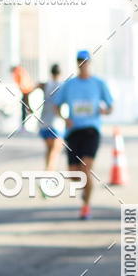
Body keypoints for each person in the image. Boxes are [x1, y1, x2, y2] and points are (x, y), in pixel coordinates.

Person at [54, 50, 113, 220]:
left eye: (85, 60)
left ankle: (86, 206)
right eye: (80, 60)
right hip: (73, 132)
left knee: (86, 169)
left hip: (91, 130)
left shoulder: (98, 83)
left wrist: (105, 110)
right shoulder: (70, 84)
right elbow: (57, 105)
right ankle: (85, 192)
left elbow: (110, 106)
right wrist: (65, 118)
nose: (83, 63)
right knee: (74, 174)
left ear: (90, 62)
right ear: (77, 62)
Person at [36, 64, 64, 171]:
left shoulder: (45, 84)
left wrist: (28, 106)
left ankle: (48, 171)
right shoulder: (63, 85)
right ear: (60, 73)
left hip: (44, 122)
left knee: (49, 149)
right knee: (55, 150)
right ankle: (48, 173)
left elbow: (28, 90)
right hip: (57, 122)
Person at [10, 64, 33, 132]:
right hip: (27, 89)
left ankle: (29, 111)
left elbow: (21, 83)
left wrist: (22, 90)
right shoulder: (21, 70)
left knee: (24, 108)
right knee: (25, 106)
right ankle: (29, 110)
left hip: (25, 90)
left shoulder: (17, 72)